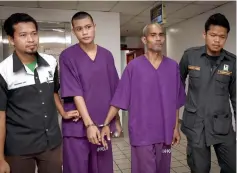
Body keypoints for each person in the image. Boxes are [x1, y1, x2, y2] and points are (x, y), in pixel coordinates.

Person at [100, 23, 186, 173]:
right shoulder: (134, 67)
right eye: (153, 35)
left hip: (165, 132)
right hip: (142, 133)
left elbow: (176, 101)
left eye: (161, 35)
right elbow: (119, 98)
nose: (158, 38)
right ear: (145, 40)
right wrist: (106, 123)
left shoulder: (172, 67)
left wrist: (175, 128)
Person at [0, 13, 79, 173]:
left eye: (34, 33)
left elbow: (53, 91)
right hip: (19, 147)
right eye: (23, 35)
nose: (31, 39)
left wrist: (62, 112)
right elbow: (0, 116)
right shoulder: (3, 71)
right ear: (11, 39)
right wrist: (0, 159)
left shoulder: (50, 62)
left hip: (51, 143)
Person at [59, 11, 122, 173]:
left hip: (103, 125)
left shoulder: (107, 55)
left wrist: (114, 121)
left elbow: (115, 89)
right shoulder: (67, 56)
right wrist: (89, 124)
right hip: (77, 128)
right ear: (74, 31)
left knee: (102, 169)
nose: (85, 32)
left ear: (94, 27)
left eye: (88, 27)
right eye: (79, 29)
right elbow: (75, 92)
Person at [179, 13, 236, 173]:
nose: (217, 40)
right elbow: (177, 85)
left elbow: (236, 97)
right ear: (204, 34)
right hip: (196, 125)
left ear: (226, 38)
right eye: (213, 35)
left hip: (222, 125)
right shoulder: (190, 56)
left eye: (222, 37)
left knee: (233, 167)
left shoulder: (232, 62)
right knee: (200, 169)